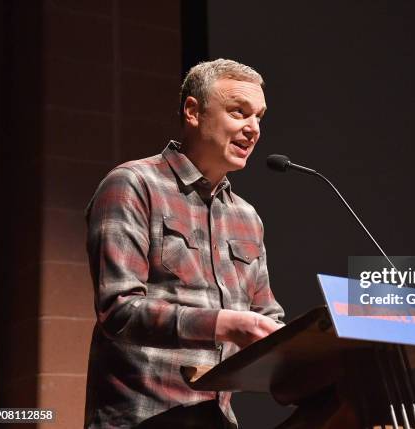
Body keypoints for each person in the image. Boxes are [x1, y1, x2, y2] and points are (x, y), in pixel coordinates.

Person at [84, 59, 285, 428]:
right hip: (142, 416)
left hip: (217, 420)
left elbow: (266, 317)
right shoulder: (133, 184)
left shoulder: (247, 217)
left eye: (259, 117)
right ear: (193, 112)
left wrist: (306, 348)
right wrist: (223, 324)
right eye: (239, 112)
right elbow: (119, 309)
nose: (253, 129)